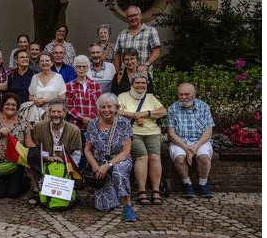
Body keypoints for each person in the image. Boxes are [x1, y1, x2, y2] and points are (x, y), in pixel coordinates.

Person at [84, 93, 136, 222]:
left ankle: (127, 205)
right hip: (99, 162)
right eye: (103, 107)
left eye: (109, 106)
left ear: (116, 108)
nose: (106, 110)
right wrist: (96, 167)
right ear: (98, 109)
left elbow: (125, 152)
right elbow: (87, 150)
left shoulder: (124, 123)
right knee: (104, 206)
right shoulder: (93, 124)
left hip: (119, 160)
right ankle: (111, 188)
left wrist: (107, 166)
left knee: (118, 172)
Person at [118, 72, 167, 206]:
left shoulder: (150, 98)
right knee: (142, 157)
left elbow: (163, 111)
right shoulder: (123, 97)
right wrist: (134, 115)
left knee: (155, 157)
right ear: (132, 84)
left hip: (152, 132)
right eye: (137, 83)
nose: (140, 85)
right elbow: (117, 111)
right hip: (132, 133)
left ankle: (156, 190)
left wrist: (146, 114)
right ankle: (141, 190)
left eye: (143, 83)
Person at [167, 83, 216, 199]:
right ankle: (187, 183)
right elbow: (171, 134)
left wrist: (195, 147)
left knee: (203, 157)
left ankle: (203, 183)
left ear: (194, 94)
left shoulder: (204, 107)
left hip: (200, 141)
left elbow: (209, 131)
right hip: (179, 141)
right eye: (181, 94)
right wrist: (186, 148)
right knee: (180, 158)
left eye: (186, 94)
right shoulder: (172, 108)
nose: (183, 97)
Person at [28, 99, 81, 204]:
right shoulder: (39, 127)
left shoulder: (74, 130)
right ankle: (36, 190)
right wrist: (47, 158)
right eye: (53, 112)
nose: (56, 115)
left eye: (59, 112)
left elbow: (76, 154)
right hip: (45, 163)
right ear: (49, 113)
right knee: (31, 157)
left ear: (65, 113)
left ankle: (68, 189)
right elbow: (35, 149)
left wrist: (66, 167)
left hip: (65, 166)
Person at [0, 93, 34, 177]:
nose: (10, 107)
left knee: (14, 190)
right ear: (3, 106)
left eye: (13, 105)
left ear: (17, 108)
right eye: (7, 104)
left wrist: (39, 154)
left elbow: (28, 143)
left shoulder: (22, 120)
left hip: (16, 162)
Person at [113, 5, 161, 73]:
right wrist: (118, 72)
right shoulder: (122, 34)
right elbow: (117, 54)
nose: (132, 18)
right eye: (129, 16)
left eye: (135, 15)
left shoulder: (150, 31)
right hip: (125, 75)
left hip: (143, 75)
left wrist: (146, 65)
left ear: (140, 16)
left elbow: (156, 51)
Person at [66, 55, 102, 130]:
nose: (81, 69)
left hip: (93, 124)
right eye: (78, 66)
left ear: (88, 67)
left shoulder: (96, 85)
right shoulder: (69, 85)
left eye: (84, 66)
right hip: (75, 126)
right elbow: (68, 106)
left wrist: (90, 118)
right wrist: (82, 118)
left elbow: (99, 104)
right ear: (74, 68)